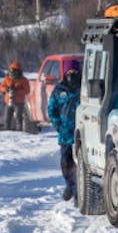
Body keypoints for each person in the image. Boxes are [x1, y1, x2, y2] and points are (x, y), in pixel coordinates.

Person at [48, 68, 81, 201]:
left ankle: (80, 190)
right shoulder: (59, 89)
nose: (72, 74)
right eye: (69, 72)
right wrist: (58, 125)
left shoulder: (84, 88)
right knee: (66, 161)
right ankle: (70, 185)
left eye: (74, 71)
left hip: (83, 133)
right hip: (65, 132)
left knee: (81, 162)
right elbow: (52, 109)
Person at [0, 61, 31, 131]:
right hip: (8, 101)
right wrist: (6, 89)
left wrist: (17, 91)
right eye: (11, 71)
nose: (13, 73)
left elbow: (27, 90)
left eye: (15, 71)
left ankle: (19, 131)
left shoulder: (23, 80)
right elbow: (1, 88)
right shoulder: (6, 79)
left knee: (18, 118)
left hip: (19, 102)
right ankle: (6, 130)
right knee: (7, 118)